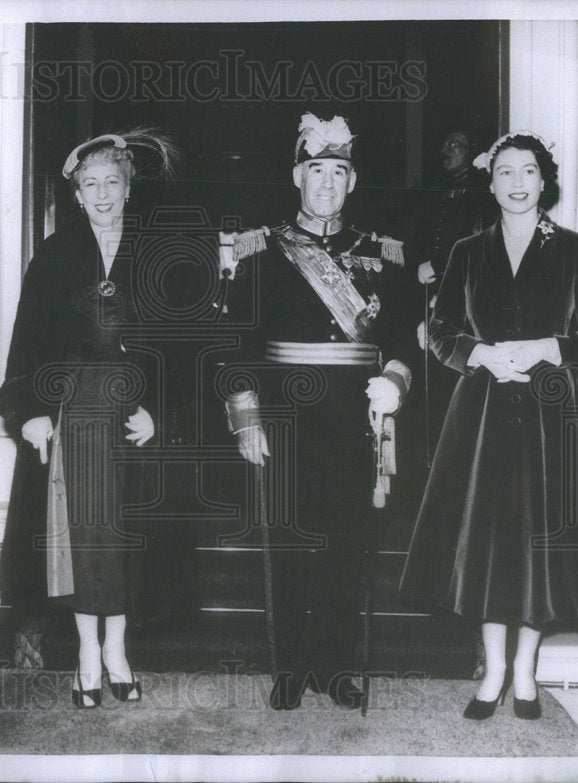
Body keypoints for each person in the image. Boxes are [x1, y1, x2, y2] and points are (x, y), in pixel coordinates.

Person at [399, 131, 578, 720]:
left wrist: (551, 345)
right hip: (481, 419)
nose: (517, 183)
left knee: (536, 548)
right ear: (490, 182)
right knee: (488, 546)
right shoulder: (468, 251)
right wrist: (480, 353)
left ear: (544, 181)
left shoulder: (574, 249)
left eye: (528, 172)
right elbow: (440, 331)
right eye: (505, 173)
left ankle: (526, 670)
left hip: (548, 420)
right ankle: (493, 669)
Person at [220, 112, 413, 710]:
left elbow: (404, 340)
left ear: (351, 182)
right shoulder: (262, 250)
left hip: (355, 416)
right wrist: (246, 415)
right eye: (316, 170)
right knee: (287, 541)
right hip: (284, 415)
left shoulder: (384, 252)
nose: (327, 182)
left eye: (339, 171)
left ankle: (337, 666)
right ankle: (289, 666)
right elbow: (235, 342)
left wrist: (394, 384)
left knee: (347, 543)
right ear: (296, 176)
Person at [0, 130, 176, 707]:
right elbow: (25, 343)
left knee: (118, 536)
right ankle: (85, 654)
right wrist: (28, 412)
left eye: (112, 183)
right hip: (69, 413)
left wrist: (161, 414)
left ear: (129, 188)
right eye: (90, 184)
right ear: (76, 194)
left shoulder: (158, 253)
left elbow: (180, 344)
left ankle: (118, 649)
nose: (102, 194)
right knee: (76, 538)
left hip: (131, 417)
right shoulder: (52, 254)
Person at [412, 129, 497, 454]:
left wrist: (438, 267)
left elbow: (472, 245)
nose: (445, 149)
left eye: (455, 145)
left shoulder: (478, 192)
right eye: (444, 143)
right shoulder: (443, 188)